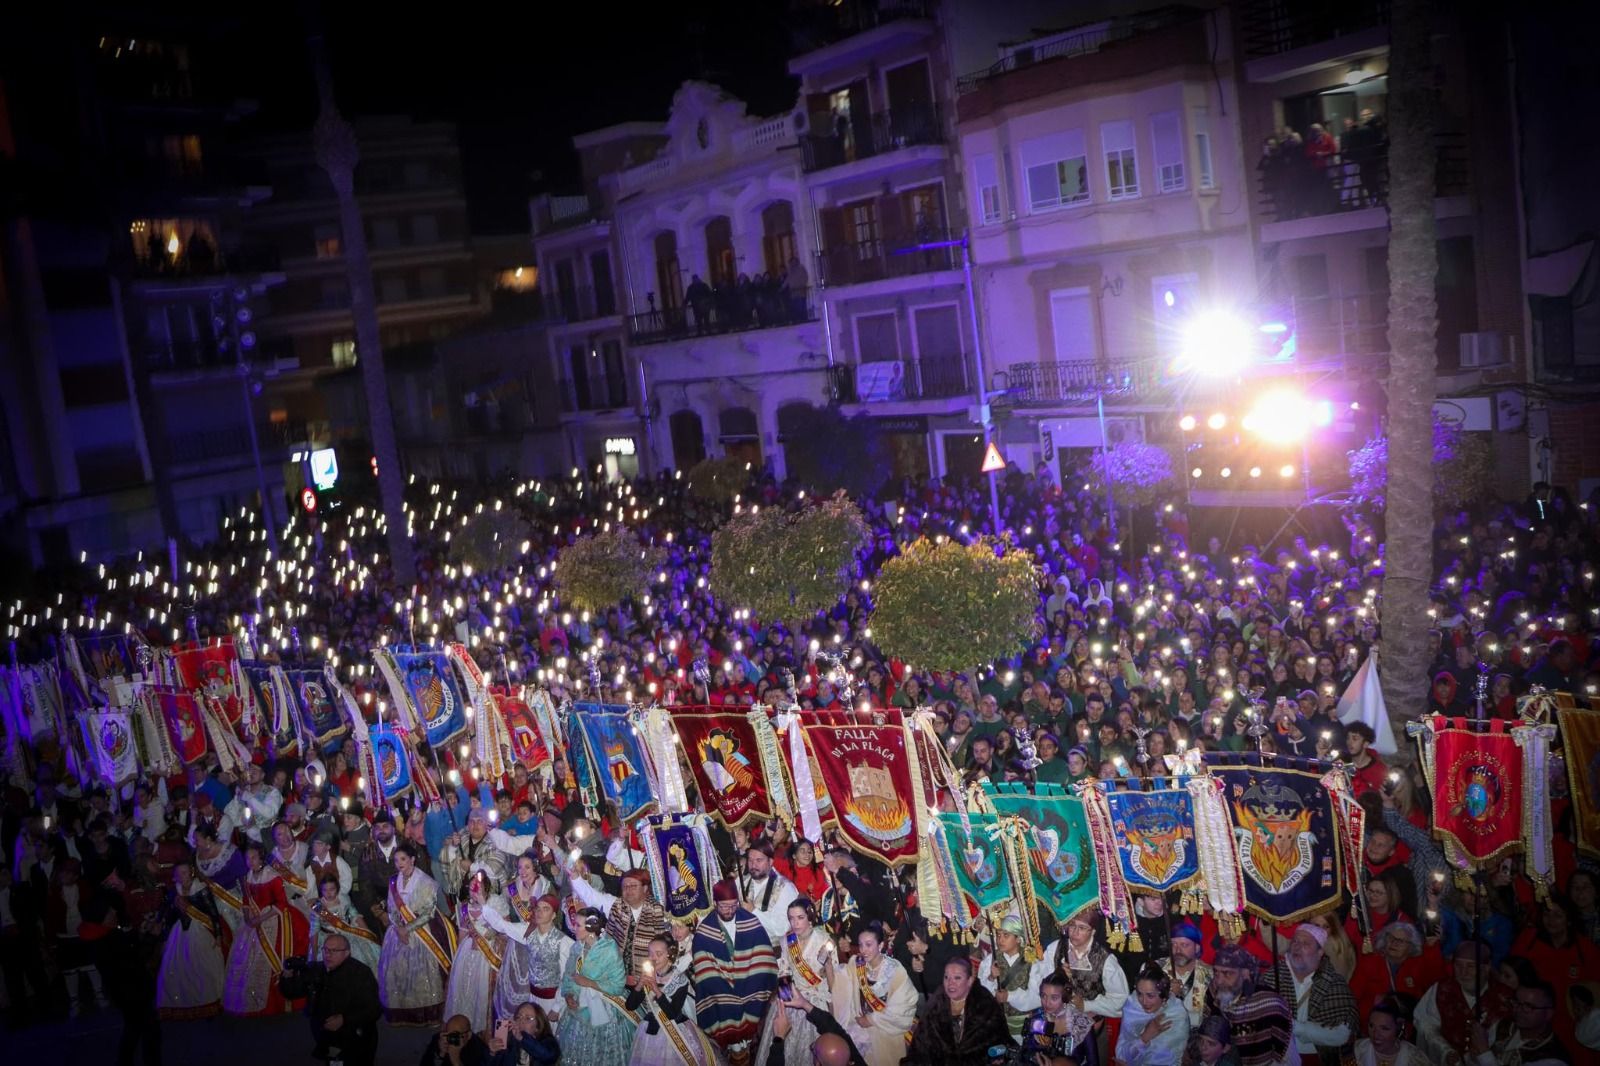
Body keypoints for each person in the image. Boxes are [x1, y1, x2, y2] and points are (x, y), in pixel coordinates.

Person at [552, 836, 668, 983]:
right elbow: (590, 895)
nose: (628, 890)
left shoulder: (658, 911)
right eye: (625, 886)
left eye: (633, 886)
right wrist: (575, 876)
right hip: (616, 977)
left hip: (649, 980)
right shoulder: (615, 905)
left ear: (645, 888)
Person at [693, 879, 780, 1062]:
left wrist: (745, 981)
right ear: (715, 904)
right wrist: (727, 987)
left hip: (750, 983)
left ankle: (750, 1048)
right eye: (724, 906)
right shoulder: (704, 931)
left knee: (755, 1000)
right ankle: (735, 1050)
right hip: (721, 987)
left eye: (734, 905)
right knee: (722, 1000)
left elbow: (763, 958)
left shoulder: (751, 921)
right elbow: (705, 968)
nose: (729, 910)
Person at [223, 840, 309, 1016]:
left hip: (274, 918)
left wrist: (260, 919)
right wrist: (248, 917)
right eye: (248, 858)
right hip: (253, 921)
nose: (251, 861)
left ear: (261, 857)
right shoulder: (248, 876)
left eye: (254, 857)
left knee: (271, 956)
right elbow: (246, 901)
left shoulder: (272, 875)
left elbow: (281, 903)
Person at [379, 839, 455, 1026]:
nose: (399, 864)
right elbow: (391, 907)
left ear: (412, 859)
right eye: (396, 861)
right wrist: (398, 927)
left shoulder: (427, 882)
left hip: (422, 931)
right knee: (397, 972)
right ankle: (402, 1015)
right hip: (397, 932)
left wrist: (408, 928)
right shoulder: (393, 881)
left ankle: (428, 1015)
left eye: (403, 859)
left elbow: (429, 912)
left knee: (423, 975)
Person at [756, 897, 839, 1066]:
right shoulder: (788, 941)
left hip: (817, 1001)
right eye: (791, 918)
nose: (795, 923)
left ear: (810, 917)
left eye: (800, 917)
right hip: (792, 996)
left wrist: (829, 965)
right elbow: (784, 971)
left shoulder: (825, 941)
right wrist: (787, 1001)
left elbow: (834, 986)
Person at [279, 933, 384, 1066]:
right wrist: (287, 975)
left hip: (356, 1037)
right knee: (333, 1062)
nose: (328, 954)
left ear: (347, 953)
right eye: (326, 950)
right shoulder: (316, 969)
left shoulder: (360, 973)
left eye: (334, 951)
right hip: (327, 1036)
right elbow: (292, 993)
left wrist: (344, 1019)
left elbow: (374, 1008)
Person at [1265, 923, 1358, 1065]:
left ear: (1320, 952)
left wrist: (1295, 1027)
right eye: (1295, 941)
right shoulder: (1272, 977)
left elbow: (1342, 1034)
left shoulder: (1334, 984)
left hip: (1319, 1059)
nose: (1297, 946)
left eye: (1305, 943)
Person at [830, 918, 918, 1066]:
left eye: (869, 945)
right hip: (862, 1030)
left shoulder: (895, 971)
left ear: (881, 945)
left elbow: (903, 1007)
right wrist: (827, 965)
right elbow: (840, 987)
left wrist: (871, 1020)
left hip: (886, 1030)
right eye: (861, 945)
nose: (863, 950)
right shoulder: (856, 963)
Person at [627, 934, 724, 1065]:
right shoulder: (648, 974)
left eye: (658, 954)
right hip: (649, 1031)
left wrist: (656, 989)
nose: (652, 958)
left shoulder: (680, 980)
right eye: (650, 953)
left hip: (674, 1030)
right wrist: (640, 985)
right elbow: (630, 1006)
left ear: (670, 955)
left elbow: (672, 1014)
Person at [482, 888, 575, 1023]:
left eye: (545, 909)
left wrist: (557, 1007)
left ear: (554, 915)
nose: (539, 912)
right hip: (532, 997)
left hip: (553, 1000)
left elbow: (567, 977)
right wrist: (483, 903)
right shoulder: (528, 932)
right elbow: (502, 925)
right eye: (537, 908)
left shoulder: (563, 942)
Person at [557, 907, 634, 1066]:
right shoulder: (577, 947)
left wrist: (590, 983)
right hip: (579, 1010)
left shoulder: (609, 949)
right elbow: (569, 975)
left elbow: (618, 985)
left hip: (606, 1010)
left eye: (578, 925)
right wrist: (569, 994)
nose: (574, 927)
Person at [904, 955, 1012, 1065]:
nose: (950, 983)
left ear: (970, 980)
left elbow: (1001, 1043)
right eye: (946, 977)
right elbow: (920, 1046)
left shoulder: (985, 1003)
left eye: (957, 978)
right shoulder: (936, 1003)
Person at [155, 858, 227, 1018]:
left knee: (204, 967)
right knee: (179, 967)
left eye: (185, 872)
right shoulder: (174, 891)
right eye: (179, 873)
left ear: (191, 872)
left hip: (201, 931)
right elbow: (167, 912)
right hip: (180, 933)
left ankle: (210, 1002)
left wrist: (218, 935)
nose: (182, 876)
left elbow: (213, 913)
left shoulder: (201, 889)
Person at [1203, 945, 1293, 1066]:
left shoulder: (1269, 1002)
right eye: (1216, 972)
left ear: (1245, 973)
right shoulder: (1213, 991)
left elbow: (1287, 1056)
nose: (1219, 981)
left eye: (1227, 973)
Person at [445, 867, 509, 1035]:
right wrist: (457, 958)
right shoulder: (464, 907)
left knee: (485, 990)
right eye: (472, 883)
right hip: (468, 951)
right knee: (464, 986)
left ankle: (485, 1028)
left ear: (485, 886)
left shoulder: (496, 902)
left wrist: (492, 932)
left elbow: (506, 928)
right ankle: (464, 1024)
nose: (474, 887)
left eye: (478, 884)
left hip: (490, 952)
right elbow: (462, 933)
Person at [309, 873, 383, 973]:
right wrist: (313, 954)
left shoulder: (344, 900)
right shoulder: (317, 907)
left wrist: (369, 935)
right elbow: (314, 931)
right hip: (327, 938)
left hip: (348, 934)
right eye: (325, 890)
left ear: (337, 888)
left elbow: (355, 916)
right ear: (321, 891)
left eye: (332, 889)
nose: (329, 893)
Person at [1019, 973, 1094, 1062]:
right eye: (1043, 996)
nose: (1047, 1003)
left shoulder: (1082, 1023)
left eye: (1054, 998)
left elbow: (1093, 1063)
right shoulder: (1037, 1017)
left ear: (1065, 997)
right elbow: (1024, 1053)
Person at [739, 841, 800, 945]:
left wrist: (754, 911)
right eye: (750, 860)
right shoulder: (743, 882)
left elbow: (782, 929)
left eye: (759, 860)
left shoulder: (785, 888)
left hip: (773, 952)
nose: (753, 865)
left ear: (770, 861)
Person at [1161, 920, 1212, 1027]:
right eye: (1173, 944)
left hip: (1197, 1037)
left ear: (1196, 948)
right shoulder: (1156, 970)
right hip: (1165, 1034)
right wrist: (1169, 995)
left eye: (1184, 945)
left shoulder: (1210, 974)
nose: (1178, 950)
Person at [1353, 996, 1422, 1066]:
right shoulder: (1357, 1051)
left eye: (1384, 1028)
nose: (1375, 1035)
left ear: (1399, 1026)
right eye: (1371, 1026)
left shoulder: (1414, 1059)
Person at [489, 1001, 562, 1066]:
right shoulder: (509, 1041)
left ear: (538, 1026)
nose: (521, 1021)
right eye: (518, 1017)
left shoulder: (548, 1041)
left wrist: (522, 1038)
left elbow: (548, 1056)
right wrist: (492, 1053)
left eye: (528, 1018)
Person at [421, 1013, 493, 1066]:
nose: (452, 1037)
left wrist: (456, 1059)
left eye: (456, 1034)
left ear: (469, 1035)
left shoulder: (478, 1048)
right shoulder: (439, 1039)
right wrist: (440, 1055)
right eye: (449, 1033)